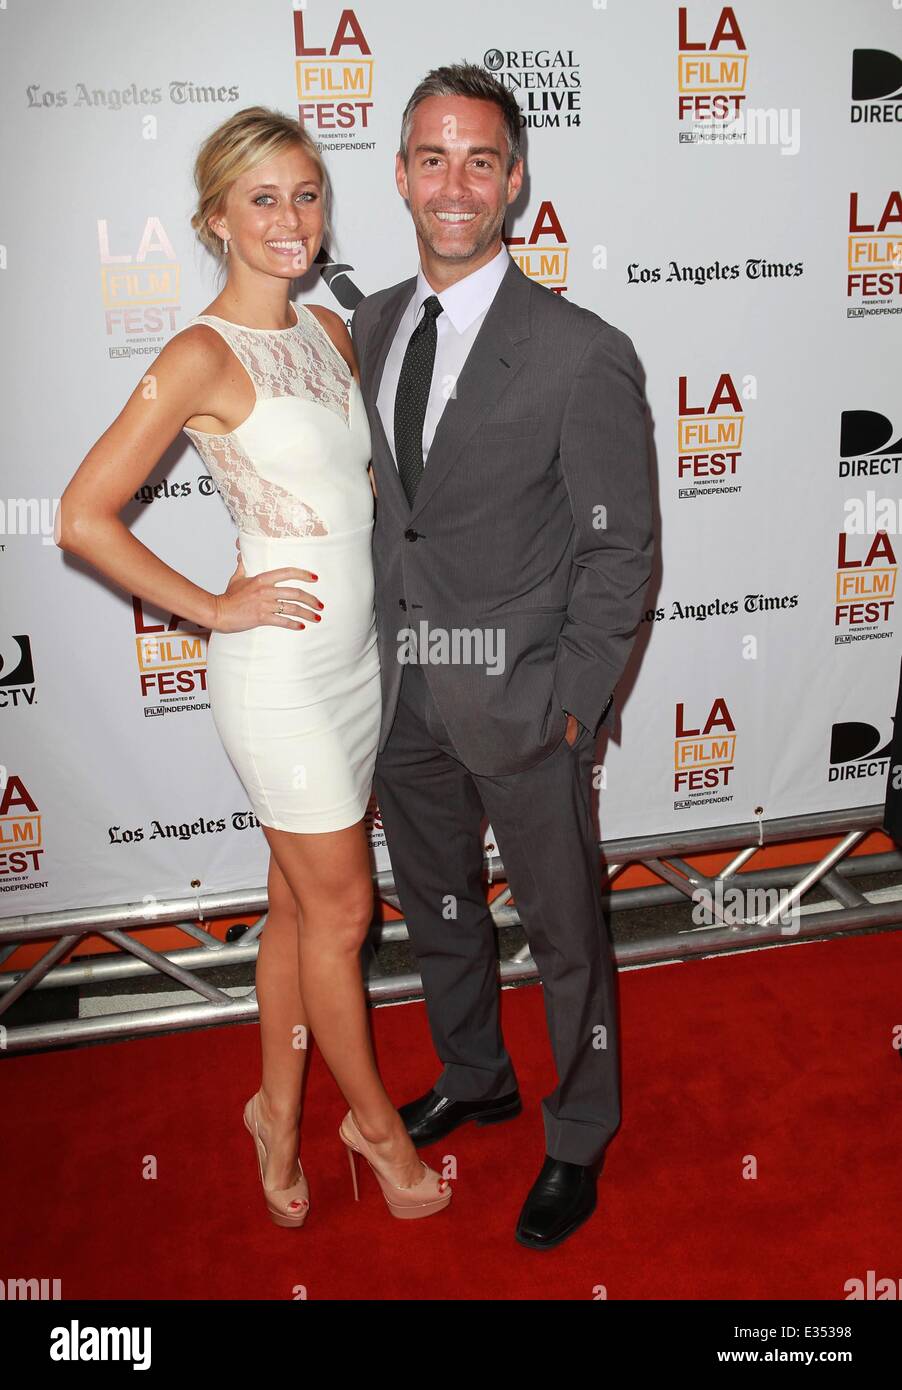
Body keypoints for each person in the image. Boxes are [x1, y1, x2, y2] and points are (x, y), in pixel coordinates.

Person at [56, 106, 451, 1228]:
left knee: (295, 905)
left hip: (354, 670)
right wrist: (213, 607)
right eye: (263, 198)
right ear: (215, 218)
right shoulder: (197, 353)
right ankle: (371, 1125)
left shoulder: (330, 335)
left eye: (307, 193)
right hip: (275, 677)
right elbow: (85, 516)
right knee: (341, 914)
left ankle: (273, 1109)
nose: (291, 218)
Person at [351, 64, 654, 1249]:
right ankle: (473, 1071)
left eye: (480, 159)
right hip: (403, 693)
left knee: (567, 934)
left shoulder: (579, 350)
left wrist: (574, 704)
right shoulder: (371, 322)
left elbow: (620, 550)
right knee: (435, 910)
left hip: (524, 704)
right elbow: (396, 518)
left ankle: (577, 1133)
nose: (454, 183)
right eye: (433, 157)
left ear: (515, 179)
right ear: (401, 175)